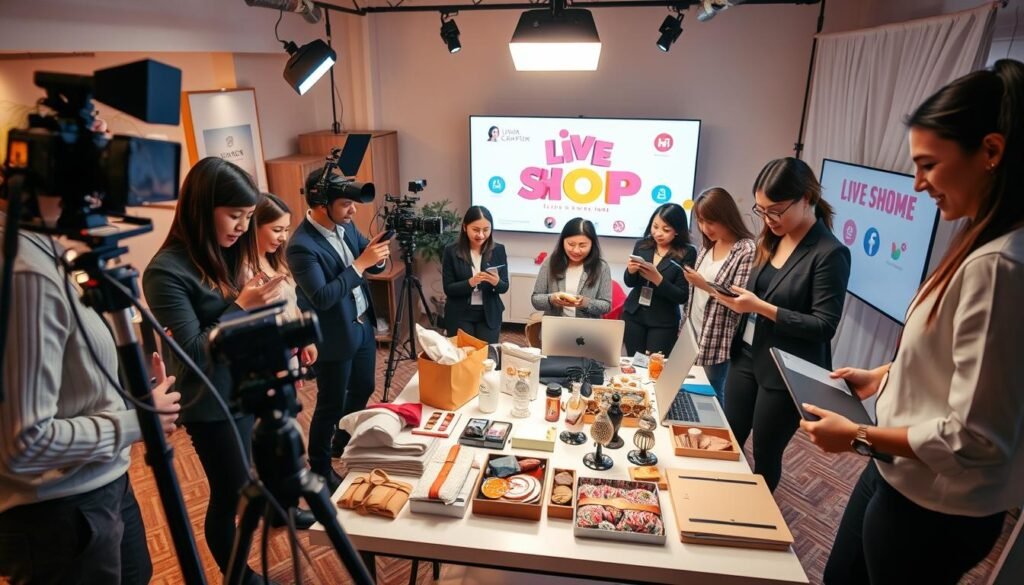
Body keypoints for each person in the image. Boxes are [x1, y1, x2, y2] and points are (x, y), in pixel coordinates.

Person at [802, 60, 1024, 585]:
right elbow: (956, 360)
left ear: (990, 151)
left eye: (929, 165)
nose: (919, 184)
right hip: (898, 477)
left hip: (935, 509)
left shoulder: (999, 266)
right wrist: (885, 374)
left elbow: (976, 437)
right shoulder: (982, 239)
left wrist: (858, 433)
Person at [0, 194, 180, 585]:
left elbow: (68, 378)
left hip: (100, 483)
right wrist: (139, 421)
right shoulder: (23, 270)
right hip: (60, 512)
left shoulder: (46, 251)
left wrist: (134, 396)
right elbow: (25, 442)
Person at [143, 157, 283, 585]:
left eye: (247, 217)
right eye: (234, 215)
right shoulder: (165, 271)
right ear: (203, 209)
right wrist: (242, 308)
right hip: (208, 402)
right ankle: (238, 576)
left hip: (243, 387)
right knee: (230, 496)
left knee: (246, 485)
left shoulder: (222, 252)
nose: (243, 227)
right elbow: (189, 352)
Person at [714, 157, 851, 492]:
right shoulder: (772, 238)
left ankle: (755, 523)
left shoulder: (829, 253)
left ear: (807, 198)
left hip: (784, 370)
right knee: (729, 436)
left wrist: (762, 307)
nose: (768, 219)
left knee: (765, 454)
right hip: (746, 355)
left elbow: (823, 326)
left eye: (775, 210)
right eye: (761, 210)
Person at [286, 166, 390, 494]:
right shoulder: (301, 246)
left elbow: (369, 258)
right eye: (346, 204)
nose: (353, 210)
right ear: (321, 204)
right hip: (332, 335)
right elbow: (323, 296)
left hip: (361, 325)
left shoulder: (345, 226)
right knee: (329, 403)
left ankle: (340, 441)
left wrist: (378, 257)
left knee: (363, 387)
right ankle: (319, 466)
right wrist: (360, 264)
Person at [682, 188, 756, 405]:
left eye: (711, 222)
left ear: (726, 216)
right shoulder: (708, 245)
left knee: (711, 393)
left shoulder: (746, 249)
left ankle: (716, 436)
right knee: (690, 387)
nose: (705, 228)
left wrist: (704, 286)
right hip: (693, 327)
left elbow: (740, 302)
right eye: (701, 221)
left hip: (716, 336)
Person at [252, 192, 319, 369]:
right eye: (277, 230)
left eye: (286, 230)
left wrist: (305, 339)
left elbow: (292, 305)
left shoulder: (277, 261)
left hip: (290, 349)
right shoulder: (245, 271)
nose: (283, 237)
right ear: (254, 227)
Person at [622, 203, 696, 356]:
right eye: (655, 226)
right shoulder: (642, 245)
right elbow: (630, 282)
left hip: (663, 321)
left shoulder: (687, 252)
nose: (658, 233)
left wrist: (659, 280)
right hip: (634, 315)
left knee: (655, 368)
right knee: (632, 363)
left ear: (677, 230)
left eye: (666, 230)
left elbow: (682, 296)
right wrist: (630, 271)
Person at [441, 205, 508, 343]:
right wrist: (470, 283)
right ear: (465, 227)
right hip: (461, 313)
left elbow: (504, 287)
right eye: (476, 230)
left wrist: (496, 282)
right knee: (464, 356)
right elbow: (448, 288)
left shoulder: (498, 250)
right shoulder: (451, 252)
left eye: (486, 230)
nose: (481, 235)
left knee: (487, 356)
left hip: (488, 312)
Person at [531, 217, 612, 318]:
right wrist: (552, 298)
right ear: (563, 242)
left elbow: (606, 306)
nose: (576, 250)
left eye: (582, 245)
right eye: (571, 244)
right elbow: (535, 300)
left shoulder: (601, 267)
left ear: (592, 244)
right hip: (555, 327)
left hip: (587, 330)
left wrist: (585, 303)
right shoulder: (550, 263)